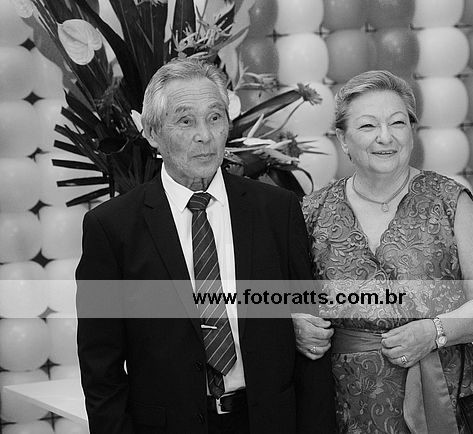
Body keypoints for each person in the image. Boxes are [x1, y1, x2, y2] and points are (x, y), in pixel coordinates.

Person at [76, 58, 335, 434]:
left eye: (215, 118)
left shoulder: (276, 210)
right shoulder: (113, 227)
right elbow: (100, 366)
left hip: (266, 419)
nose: (205, 135)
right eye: (185, 121)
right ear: (152, 133)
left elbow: (310, 339)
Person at [294, 70, 473, 433]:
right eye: (368, 126)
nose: (386, 137)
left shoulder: (449, 201)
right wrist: (295, 322)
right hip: (342, 400)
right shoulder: (312, 212)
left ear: (412, 130)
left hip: (442, 391)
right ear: (343, 138)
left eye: (397, 123)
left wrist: (435, 331)